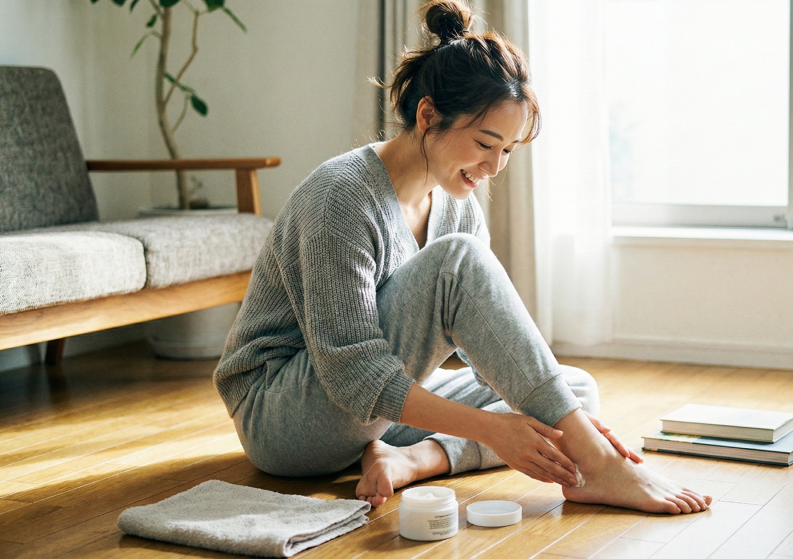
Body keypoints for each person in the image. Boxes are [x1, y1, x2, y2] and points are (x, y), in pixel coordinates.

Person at [214, 0, 712, 515]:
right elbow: (353, 374)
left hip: (372, 412)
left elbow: (485, 355)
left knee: (573, 393)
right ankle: (600, 464)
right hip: (284, 418)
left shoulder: (458, 205)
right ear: (428, 115)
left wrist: (554, 415)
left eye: (509, 150)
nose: (494, 166)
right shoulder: (341, 197)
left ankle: (413, 460)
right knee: (468, 277)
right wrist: (495, 429)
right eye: (485, 143)